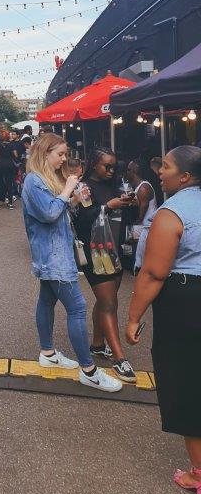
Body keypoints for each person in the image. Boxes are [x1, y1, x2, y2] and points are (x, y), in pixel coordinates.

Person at [22, 134, 122, 393]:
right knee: (77, 307)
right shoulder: (34, 181)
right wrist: (67, 190)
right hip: (54, 256)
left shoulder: (42, 179)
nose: (65, 159)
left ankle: (48, 353)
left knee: (46, 299)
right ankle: (88, 370)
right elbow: (49, 213)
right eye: (61, 154)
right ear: (45, 153)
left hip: (54, 253)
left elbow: (58, 211)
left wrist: (74, 200)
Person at [126, 146, 201, 492]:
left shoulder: (172, 212)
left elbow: (154, 273)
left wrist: (133, 316)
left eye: (165, 166)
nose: (159, 170)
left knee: (187, 382)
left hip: (186, 302)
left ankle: (199, 474)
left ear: (184, 177)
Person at [71, 147, 137, 382]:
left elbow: (124, 216)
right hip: (95, 251)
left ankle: (98, 345)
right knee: (110, 302)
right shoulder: (84, 187)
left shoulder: (116, 183)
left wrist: (129, 203)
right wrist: (108, 206)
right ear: (94, 164)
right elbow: (83, 221)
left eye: (114, 166)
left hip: (114, 247)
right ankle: (120, 358)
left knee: (105, 300)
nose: (111, 170)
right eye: (106, 166)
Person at [127, 159, 160, 271]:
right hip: (142, 226)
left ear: (134, 171)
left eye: (128, 170)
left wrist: (134, 223)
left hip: (145, 226)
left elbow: (142, 211)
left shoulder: (143, 188)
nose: (127, 172)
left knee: (139, 254)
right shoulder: (138, 187)